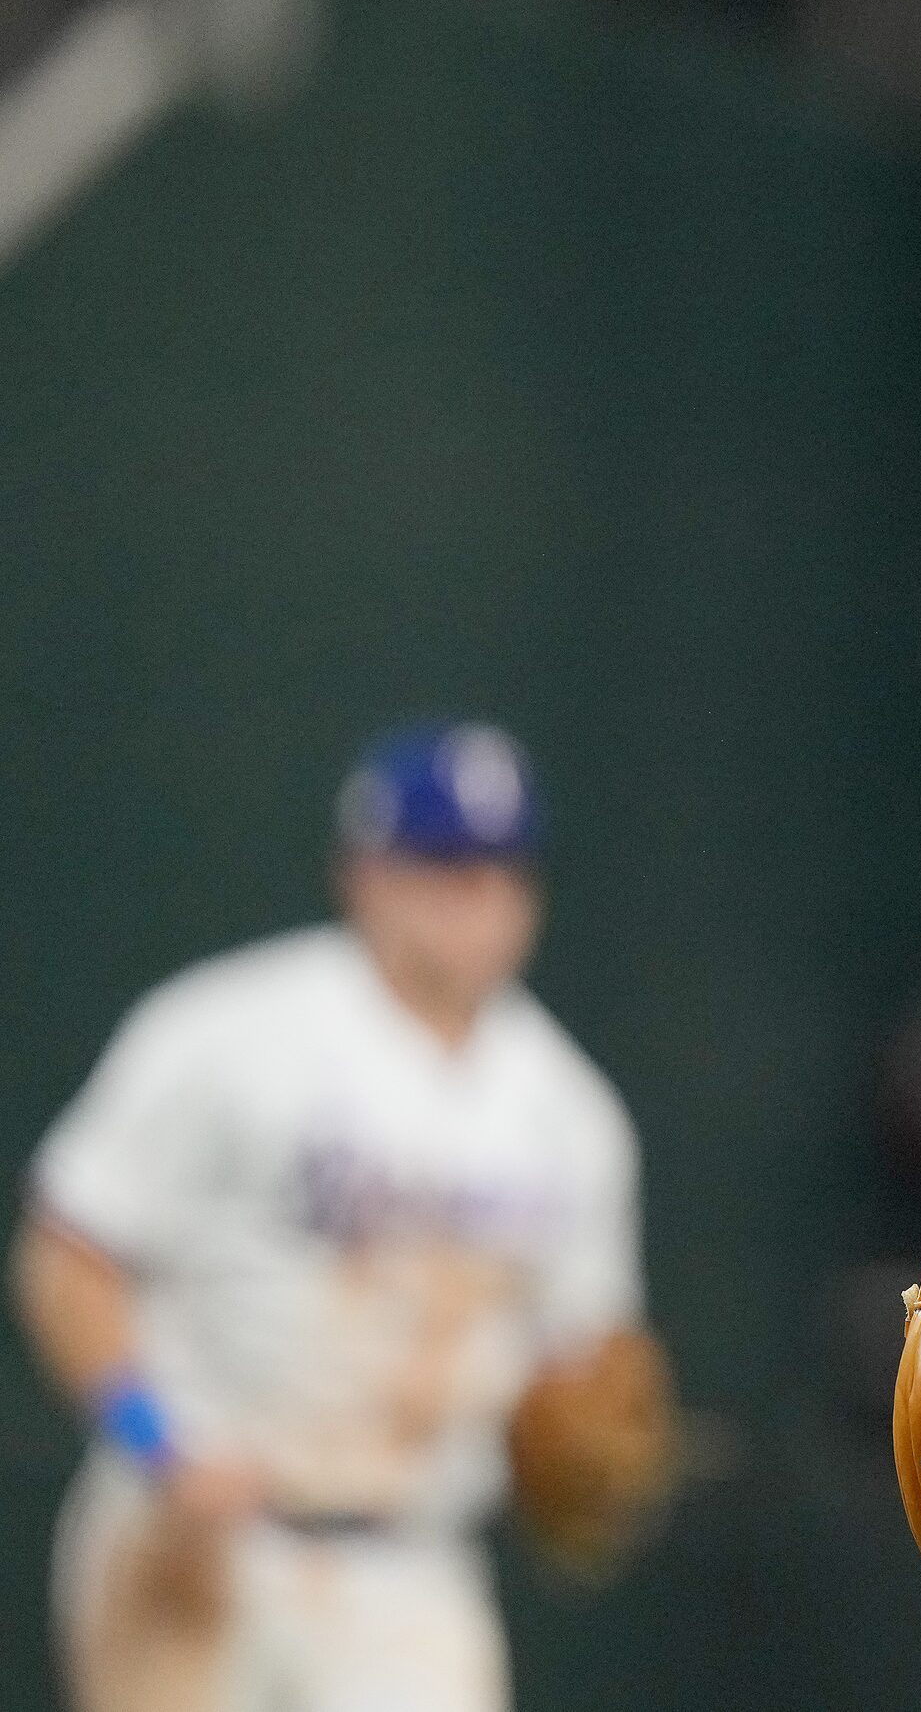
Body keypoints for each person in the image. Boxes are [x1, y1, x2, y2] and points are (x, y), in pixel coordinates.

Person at [11, 722, 656, 1712]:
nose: (474, 903)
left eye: (500, 871)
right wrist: (153, 1439)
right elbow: (68, 1255)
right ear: (365, 872)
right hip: (196, 1538)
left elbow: (585, 1352)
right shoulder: (230, 1032)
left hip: (409, 1566)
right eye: (442, 868)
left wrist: (589, 1422)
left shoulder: (573, 1118)